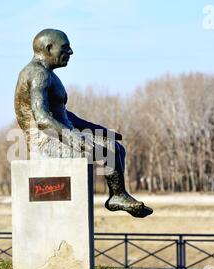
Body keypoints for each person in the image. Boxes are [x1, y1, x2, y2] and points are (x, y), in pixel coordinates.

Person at [14, 29, 153, 218]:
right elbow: (43, 119)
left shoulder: (47, 74)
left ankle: (117, 196)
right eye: (65, 47)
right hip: (45, 143)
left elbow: (64, 115)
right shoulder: (38, 74)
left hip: (58, 136)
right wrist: (77, 140)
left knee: (114, 147)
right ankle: (117, 197)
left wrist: (100, 131)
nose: (70, 52)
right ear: (48, 48)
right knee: (107, 151)